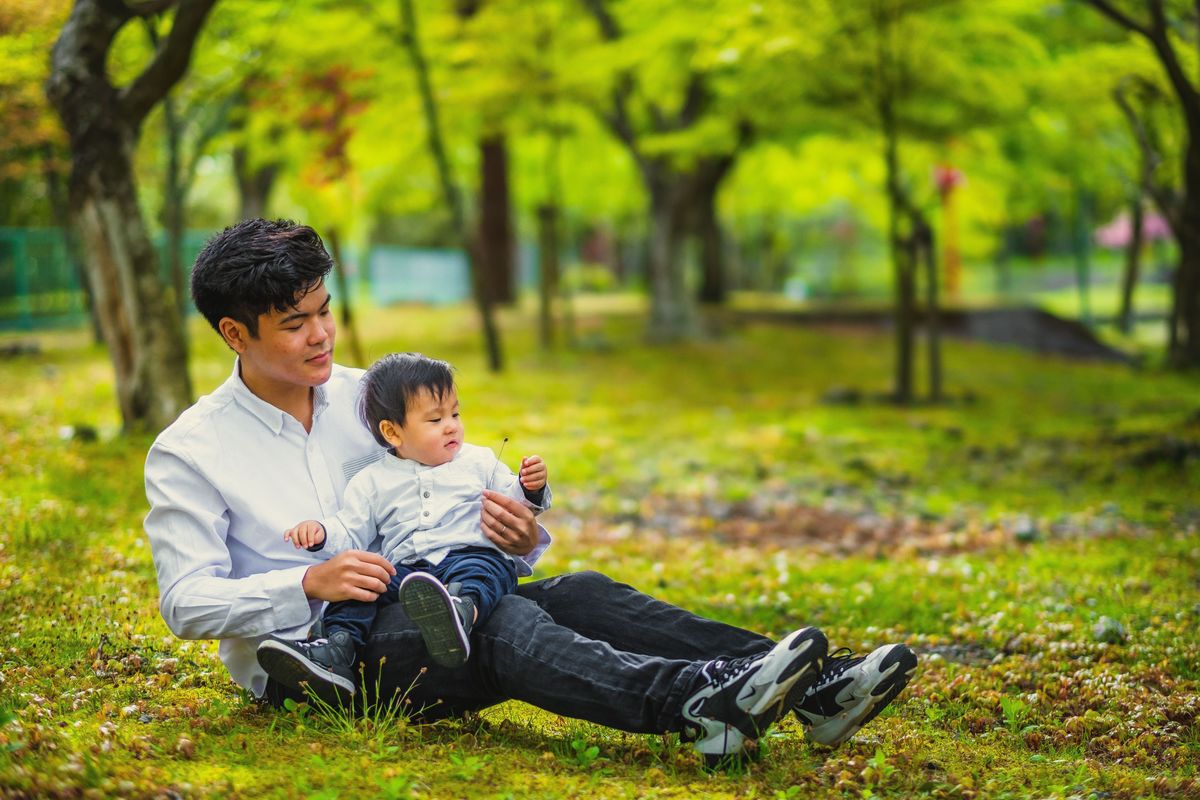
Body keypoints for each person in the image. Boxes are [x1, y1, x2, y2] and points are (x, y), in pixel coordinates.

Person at [143, 218, 917, 766]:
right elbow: (186, 602)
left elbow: (459, 498)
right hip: (318, 665)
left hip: (435, 603)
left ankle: (815, 686)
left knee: (575, 590)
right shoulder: (191, 450)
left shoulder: (370, 398)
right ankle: (696, 703)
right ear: (235, 335)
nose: (322, 337)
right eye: (294, 325)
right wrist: (306, 580)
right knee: (503, 618)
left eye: (325, 313)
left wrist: (517, 534)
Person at [260, 352, 551, 703]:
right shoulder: (372, 481)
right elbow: (351, 529)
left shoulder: (478, 461)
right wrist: (321, 533)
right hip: (410, 573)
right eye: (435, 419)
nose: (451, 426)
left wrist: (529, 487)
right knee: (362, 583)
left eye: (455, 414)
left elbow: (513, 504)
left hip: (469, 554)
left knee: (487, 569)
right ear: (392, 432)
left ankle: (460, 613)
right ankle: (338, 649)